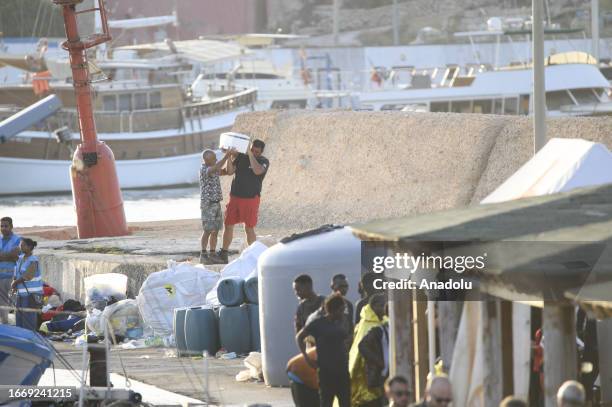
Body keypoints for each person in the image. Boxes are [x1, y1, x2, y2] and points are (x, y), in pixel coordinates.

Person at [217, 139, 269, 264]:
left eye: (257, 151)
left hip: (251, 199)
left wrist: (250, 155)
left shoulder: (263, 161)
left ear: (261, 152)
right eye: (252, 150)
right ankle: (224, 253)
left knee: (249, 227)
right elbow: (229, 171)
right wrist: (229, 156)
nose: (254, 152)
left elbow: (257, 171)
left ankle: (254, 254)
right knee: (228, 225)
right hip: (235, 197)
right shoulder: (241, 157)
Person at [296, 294, 350, 407]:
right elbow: (299, 337)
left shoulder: (342, 321)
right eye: (340, 310)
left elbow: (347, 338)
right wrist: (306, 357)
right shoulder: (318, 323)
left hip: (342, 370)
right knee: (326, 402)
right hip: (326, 371)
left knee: (345, 403)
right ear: (332, 310)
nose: (342, 312)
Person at [350, 293, 388, 407]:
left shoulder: (386, 322)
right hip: (370, 374)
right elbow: (361, 347)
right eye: (381, 305)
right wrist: (379, 362)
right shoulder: (368, 324)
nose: (384, 307)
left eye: (385, 304)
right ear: (373, 306)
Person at [199, 148, 233, 264]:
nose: (216, 160)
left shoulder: (214, 168)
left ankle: (212, 254)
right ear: (207, 160)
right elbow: (214, 168)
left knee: (215, 230)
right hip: (208, 204)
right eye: (214, 158)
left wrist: (228, 158)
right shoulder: (205, 169)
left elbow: (228, 172)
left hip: (216, 203)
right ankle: (203, 254)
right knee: (207, 230)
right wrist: (226, 156)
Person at [10, 238, 43, 331]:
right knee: (19, 319)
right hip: (21, 294)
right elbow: (17, 273)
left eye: (23, 245)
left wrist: (15, 283)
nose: (20, 247)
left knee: (28, 320)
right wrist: (14, 284)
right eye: (20, 245)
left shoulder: (33, 260)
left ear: (30, 247)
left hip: (31, 295)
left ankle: (30, 340)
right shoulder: (20, 259)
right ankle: (21, 338)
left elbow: (28, 276)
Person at [0, 217, 20, 324]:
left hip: (11, 275)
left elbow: (15, 255)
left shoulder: (17, 240)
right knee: (2, 300)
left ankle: (7, 323)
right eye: (1, 226)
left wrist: (3, 256)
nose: (3, 228)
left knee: (7, 300)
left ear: (11, 226)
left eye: (6, 226)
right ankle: (4, 322)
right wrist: (9, 256)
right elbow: (11, 255)